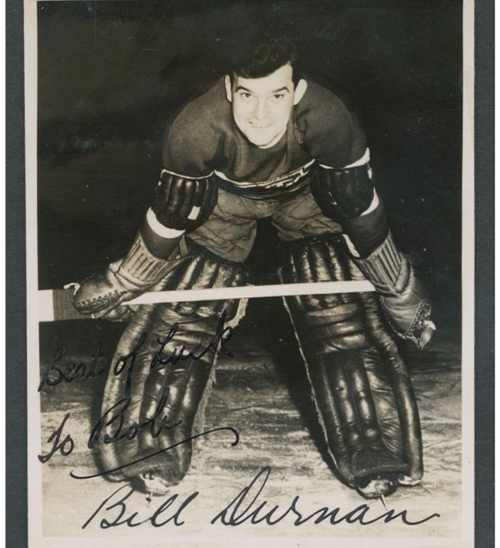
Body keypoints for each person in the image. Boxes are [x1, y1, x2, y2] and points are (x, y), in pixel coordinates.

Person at [74, 38, 435, 498]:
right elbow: (172, 216)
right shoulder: (196, 128)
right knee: (186, 307)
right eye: (247, 95)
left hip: (307, 199)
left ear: (297, 91)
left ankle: (371, 446)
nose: (260, 115)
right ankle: (151, 443)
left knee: (334, 301)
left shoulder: (328, 118)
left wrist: (398, 289)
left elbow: (358, 210)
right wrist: (126, 279)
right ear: (229, 88)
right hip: (224, 207)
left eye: (276, 96)